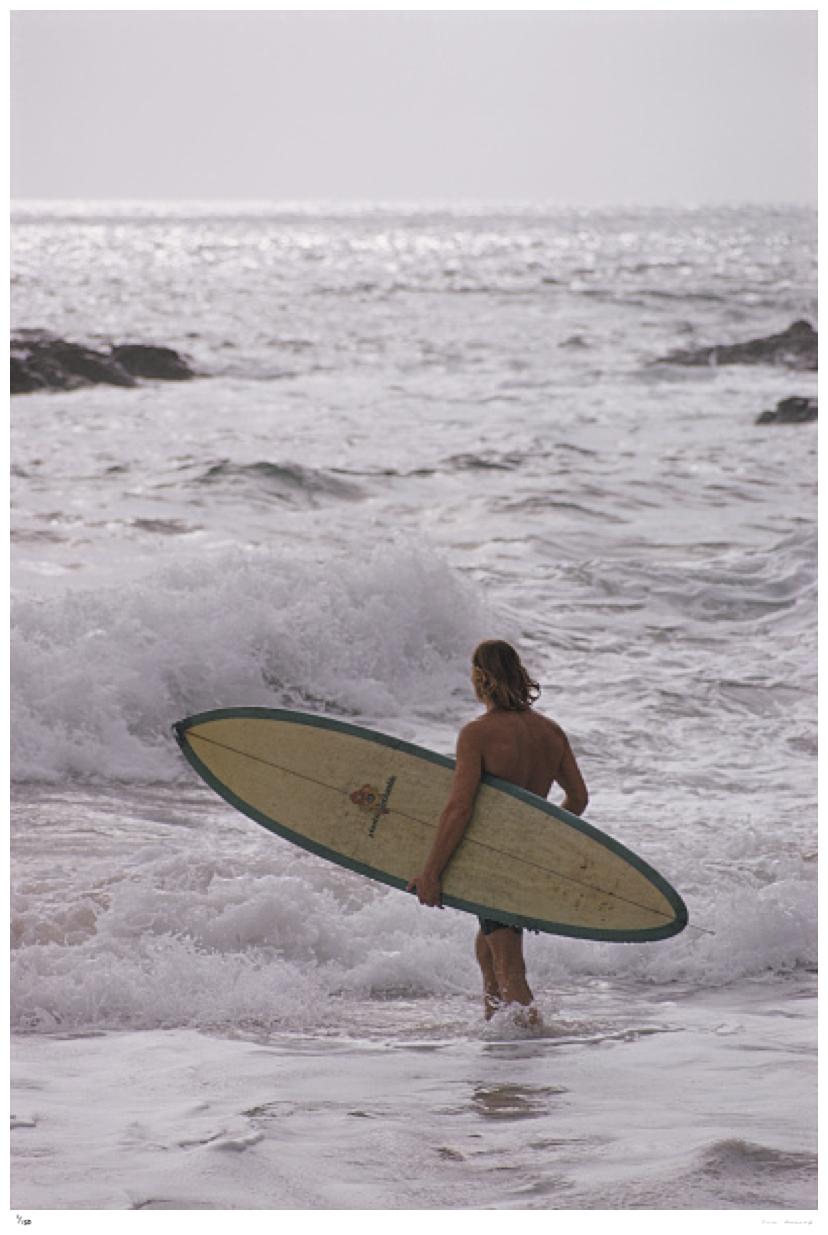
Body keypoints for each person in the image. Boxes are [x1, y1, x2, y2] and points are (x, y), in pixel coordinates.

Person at [407, 639, 588, 1023]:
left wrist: (431, 873)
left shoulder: (478, 734)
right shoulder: (551, 732)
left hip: (491, 861)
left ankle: (528, 1046)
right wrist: (539, 839)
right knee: (491, 949)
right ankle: (497, 1032)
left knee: (509, 964)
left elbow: (460, 808)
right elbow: (578, 799)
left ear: (480, 677)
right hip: (523, 858)